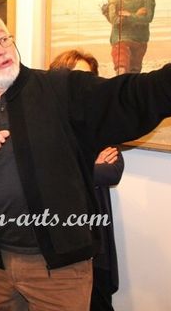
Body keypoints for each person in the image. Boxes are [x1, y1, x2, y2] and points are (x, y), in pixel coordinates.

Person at [0, 10, 171, 311]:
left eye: (3, 38)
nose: (1, 49)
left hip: (60, 271)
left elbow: (132, 95)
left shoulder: (62, 89)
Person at [49, 49, 124, 311]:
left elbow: (113, 171)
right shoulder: (45, 124)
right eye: (74, 76)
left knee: (99, 300)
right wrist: (91, 167)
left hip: (96, 231)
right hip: (59, 234)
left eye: (88, 76)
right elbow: (47, 174)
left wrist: (67, 169)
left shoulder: (101, 122)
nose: (82, 84)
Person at [107, 0, 155, 74]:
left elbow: (148, 18)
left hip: (140, 38)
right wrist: (137, 14)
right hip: (120, 38)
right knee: (121, 67)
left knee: (135, 70)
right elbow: (114, 19)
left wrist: (128, 14)